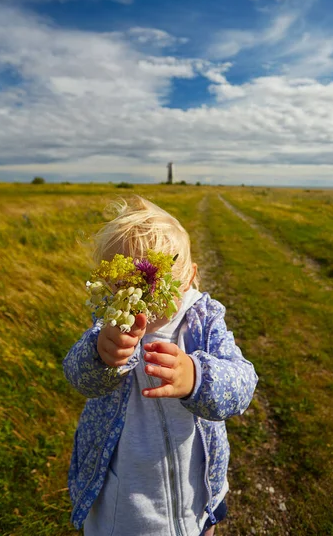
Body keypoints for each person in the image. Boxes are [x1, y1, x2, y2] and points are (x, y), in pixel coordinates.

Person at [63, 195, 258, 536]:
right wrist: (100, 354)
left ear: (190, 278)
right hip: (125, 504)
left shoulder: (204, 322)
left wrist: (197, 376)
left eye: (156, 288)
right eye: (126, 287)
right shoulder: (110, 328)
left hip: (198, 493)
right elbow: (78, 378)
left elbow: (243, 384)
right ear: (110, 286)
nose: (143, 305)